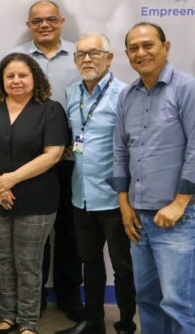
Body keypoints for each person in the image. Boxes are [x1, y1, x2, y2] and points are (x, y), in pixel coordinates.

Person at [112, 22, 195, 334]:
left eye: (148, 45)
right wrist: (124, 205)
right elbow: (120, 153)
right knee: (148, 299)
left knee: (178, 304)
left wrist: (179, 203)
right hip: (138, 217)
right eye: (133, 48)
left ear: (165, 47)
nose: (141, 53)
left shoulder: (188, 89)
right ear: (127, 54)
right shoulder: (127, 96)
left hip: (178, 217)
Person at [0, 52, 69, 334]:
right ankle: (8, 315)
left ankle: (28, 321)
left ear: (35, 79)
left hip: (37, 200)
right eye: (10, 75)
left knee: (29, 262)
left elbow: (53, 154)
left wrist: (10, 180)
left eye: (23, 75)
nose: (16, 80)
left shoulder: (50, 110)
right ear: (1, 80)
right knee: (4, 259)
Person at [56, 34, 136, 334]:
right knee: (89, 262)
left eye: (94, 53)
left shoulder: (124, 95)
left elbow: (133, 146)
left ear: (109, 58)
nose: (87, 59)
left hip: (116, 197)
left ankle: (126, 322)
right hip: (82, 195)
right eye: (80, 54)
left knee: (122, 265)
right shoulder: (72, 92)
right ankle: (93, 321)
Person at [12, 0, 83, 319]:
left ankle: (70, 298)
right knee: (33, 236)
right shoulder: (17, 59)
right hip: (30, 163)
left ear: (61, 21)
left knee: (71, 232)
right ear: (29, 25)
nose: (44, 25)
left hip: (71, 160)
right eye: (37, 20)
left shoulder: (80, 55)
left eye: (51, 19)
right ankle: (33, 298)